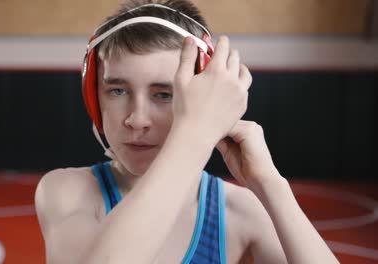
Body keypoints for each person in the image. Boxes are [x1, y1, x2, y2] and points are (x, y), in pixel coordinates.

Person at [35, 0, 339, 263]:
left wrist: (272, 186)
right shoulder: (68, 191)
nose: (137, 119)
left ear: (204, 101)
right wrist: (195, 137)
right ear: (93, 98)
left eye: (163, 94)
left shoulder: (237, 212)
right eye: (117, 90)